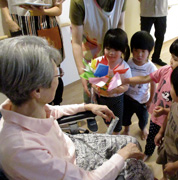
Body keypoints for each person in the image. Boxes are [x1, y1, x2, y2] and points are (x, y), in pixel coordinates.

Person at [0, 36, 154, 180]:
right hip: (74, 166)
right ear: (37, 91)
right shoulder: (24, 151)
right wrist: (122, 155)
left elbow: (50, 111)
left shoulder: (22, 104)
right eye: (58, 74)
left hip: (70, 145)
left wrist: (86, 106)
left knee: (131, 141)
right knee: (137, 165)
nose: (59, 78)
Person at [123, 34, 178, 161]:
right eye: (172, 57)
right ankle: (148, 152)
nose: (171, 61)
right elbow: (146, 78)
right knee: (152, 137)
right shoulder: (166, 69)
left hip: (173, 122)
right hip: (157, 115)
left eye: (175, 59)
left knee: (167, 143)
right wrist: (126, 80)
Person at [0, 0, 65, 106]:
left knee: (53, 71)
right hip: (19, 26)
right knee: (24, 72)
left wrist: (44, 11)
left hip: (46, 25)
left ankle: (56, 107)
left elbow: (58, 10)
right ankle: (31, 111)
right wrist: (8, 20)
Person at [69, 0, 127, 103]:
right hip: (90, 48)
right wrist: (82, 73)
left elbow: (120, 24)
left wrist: (119, 49)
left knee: (109, 81)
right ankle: (90, 114)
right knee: (90, 84)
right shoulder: (79, 3)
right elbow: (76, 42)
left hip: (111, 47)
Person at [92, 28, 131, 135]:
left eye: (116, 50)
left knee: (117, 121)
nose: (111, 53)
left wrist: (116, 90)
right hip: (101, 98)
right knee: (106, 117)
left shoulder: (124, 67)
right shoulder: (100, 62)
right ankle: (109, 127)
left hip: (116, 99)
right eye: (108, 48)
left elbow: (126, 86)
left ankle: (116, 134)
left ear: (123, 50)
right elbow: (93, 78)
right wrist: (94, 86)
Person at [122, 31, 157, 140]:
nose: (139, 54)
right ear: (131, 49)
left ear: (149, 51)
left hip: (142, 100)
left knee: (143, 118)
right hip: (127, 98)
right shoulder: (128, 62)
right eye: (136, 50)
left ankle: (143, 128)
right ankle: (126, 129)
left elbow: (153, 85)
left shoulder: (151, 68)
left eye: (143, 51)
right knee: (125, 117)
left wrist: (151, 99)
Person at [139, 0, 168, 66]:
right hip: (146, 11)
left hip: (161, 12)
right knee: (144, 37)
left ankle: (156, 58)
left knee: (160, 36)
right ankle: (143, 58)